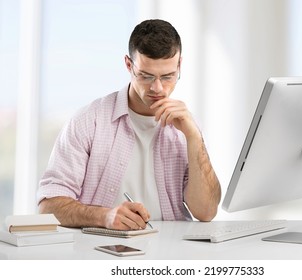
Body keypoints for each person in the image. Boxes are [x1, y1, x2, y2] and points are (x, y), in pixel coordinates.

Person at [37, 19, 221, 230]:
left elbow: (206, 212)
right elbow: (47, 207)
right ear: (128, 65)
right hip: (101, 251)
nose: (157, 88)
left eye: (168, 76)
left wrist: (194, 137)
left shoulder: (187, 126)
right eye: (146, 76)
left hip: (172, 251)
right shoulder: (88, 121)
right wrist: (104, 217)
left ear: (179, 66)